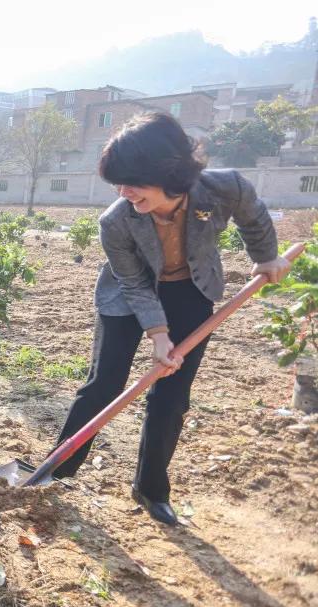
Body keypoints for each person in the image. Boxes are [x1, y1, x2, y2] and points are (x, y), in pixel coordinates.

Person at [51, 112, 290, 525]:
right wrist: (158, 334)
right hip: (128, 296)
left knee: (172, 395)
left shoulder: (223, 187)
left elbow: (255, 215)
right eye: (118, 183)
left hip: (191, 290)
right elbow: (133, 285)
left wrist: (265, 257)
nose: (124, 192)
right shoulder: (116, 220)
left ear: (170, 171)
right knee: (104, 383)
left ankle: (150, 489)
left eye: (133, 182)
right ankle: (56, 471)